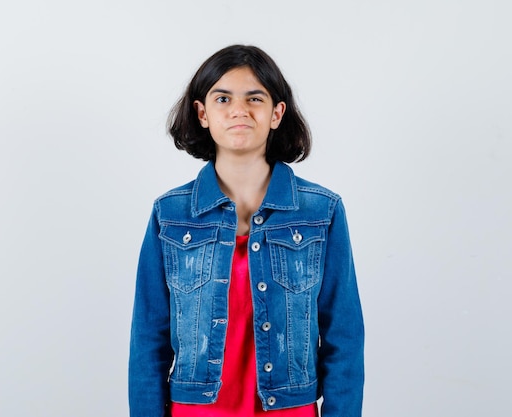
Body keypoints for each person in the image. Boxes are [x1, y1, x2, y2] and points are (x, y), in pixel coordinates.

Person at [128, 44, 364, 417]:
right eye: (223, 98)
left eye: (255, 98)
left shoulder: (321, 212)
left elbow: (344, 338)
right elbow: (147, 341)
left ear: (276, 113)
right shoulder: (170, 215)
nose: (239, 110)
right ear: (202, 113)